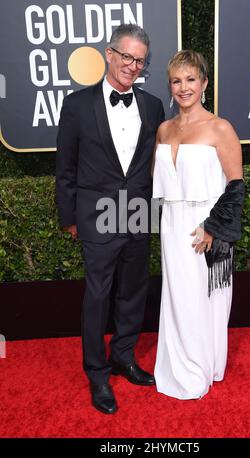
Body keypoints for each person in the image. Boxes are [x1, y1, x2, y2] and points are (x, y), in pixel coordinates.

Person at [56, 24, 165, 414]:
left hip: (137, 210)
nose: (132, 66)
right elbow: (65, 167)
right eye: (126, 57)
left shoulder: (153, 106)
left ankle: (123, 356)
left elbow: (156, 166)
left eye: (140, 60)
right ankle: (97, 373)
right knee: (98, 296)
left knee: (134, 291)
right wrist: (70, 217)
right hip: (96, 213)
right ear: (109, 54)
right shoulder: (77, 105)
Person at [152, 50, 244, 400]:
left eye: (191, 79)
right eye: (177, 81)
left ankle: (202, 365)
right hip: (172, 224)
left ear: (204, 83)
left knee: (203, 299)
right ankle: (180, 364)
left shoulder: (220, 128)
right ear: (171, 86)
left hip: (206, 226)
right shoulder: (164, 129)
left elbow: (236, 185)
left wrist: (212, 227)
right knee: (177, 297)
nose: (183, 87)